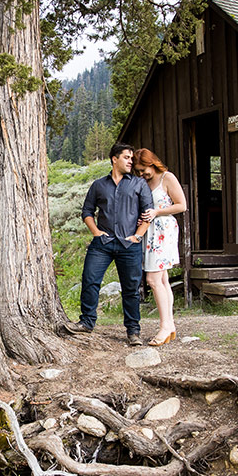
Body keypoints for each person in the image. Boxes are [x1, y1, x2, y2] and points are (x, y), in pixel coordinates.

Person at [65, 142, 153, 346]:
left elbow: (148, 213)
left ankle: (133, 331)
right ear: (114, 159)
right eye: (127, 157)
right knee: (90, 280)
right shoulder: (99, 185)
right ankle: (87, 322)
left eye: (132, 158)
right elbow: (87, 212)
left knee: (131, 288)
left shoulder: (139, 184)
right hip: (103, 243)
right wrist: (96, 232)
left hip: (129, 244)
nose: (131, 161)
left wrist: (138, 236)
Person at [134, 148, 187, 346]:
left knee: (153, 279)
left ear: (152, 163)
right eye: (138, 171)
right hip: (150, 231)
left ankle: (164, 326)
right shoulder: (145, 182)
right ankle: (170, 325)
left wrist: (157, 211)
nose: (141, 174)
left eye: (143, 169)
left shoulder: (167, 177)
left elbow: (181, 205)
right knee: (162, 280)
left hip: (163, 230)